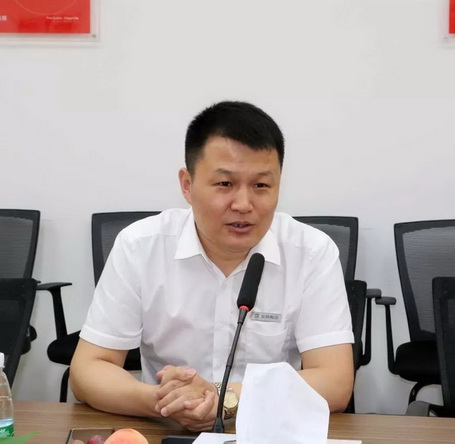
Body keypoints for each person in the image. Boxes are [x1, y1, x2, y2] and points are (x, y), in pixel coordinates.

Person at [70, 101, 354, 431]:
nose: (244, 204)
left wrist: (224, 399)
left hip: (268, 431)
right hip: (166, 429)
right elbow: (88, 370)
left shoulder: (311, 252)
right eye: (225, 184)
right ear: (187, 185)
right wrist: (165, 402)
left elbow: (335, 382)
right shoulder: (140, 246)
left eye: (261, 185)